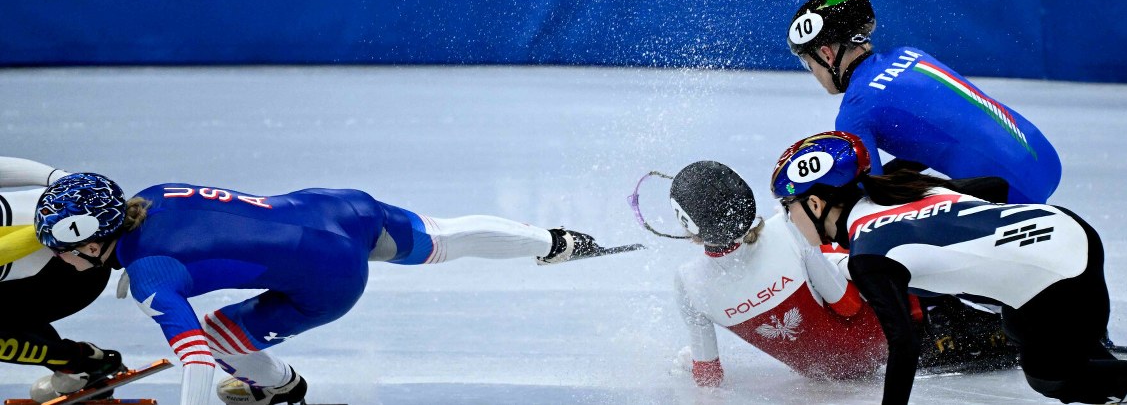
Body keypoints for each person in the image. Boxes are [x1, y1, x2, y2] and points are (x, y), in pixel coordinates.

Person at [32, 173, 611, 405]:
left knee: (217, 333)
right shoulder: (157, 193)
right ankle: (555, 241)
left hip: (330, 279)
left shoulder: (153, 274)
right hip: (336, 207)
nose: (55, 256)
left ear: (93, 238)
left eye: (59, 245)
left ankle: (279, 389)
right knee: (441, 238)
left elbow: (196, 357)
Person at [769, 130, 1127, 405]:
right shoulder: (900, 186)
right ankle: (1119, 373)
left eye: (789, 208)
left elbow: (904, 343)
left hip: (1059, 282)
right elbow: (993, 184)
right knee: (1019, 325)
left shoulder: (869, 253)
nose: (789, 220)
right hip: (1071, 234)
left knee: (1048, 375)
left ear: (813, 202)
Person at [669, 161, 1014, 388]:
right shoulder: (785, 230)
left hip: (831, 372)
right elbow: (847, 305)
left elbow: (709, 375)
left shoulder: (688, 282)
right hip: (889, 335)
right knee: (852, 230)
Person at [786, 0, 1061, 203]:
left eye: (807, 62)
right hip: (1044, 157)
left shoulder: (855, 110)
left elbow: (869, 199)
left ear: (826, 54)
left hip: (1011, 193)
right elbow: (932, 136)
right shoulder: (909, 54)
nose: (812, 72)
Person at [0, 157, 126, 401]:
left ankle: (80, 362)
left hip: (75, 271)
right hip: (67, 250)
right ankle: (76, 366)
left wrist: (58, 179)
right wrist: (56, 177)